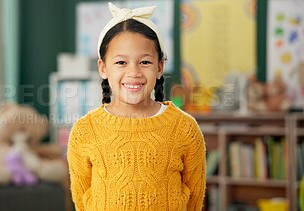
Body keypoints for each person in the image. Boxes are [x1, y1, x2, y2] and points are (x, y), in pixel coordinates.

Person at [67, 2, 206, 210]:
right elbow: (81, 201)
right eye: (121, 63)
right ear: (103, 67)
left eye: (145, 62)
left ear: (160, 67)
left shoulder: (184, 128)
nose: (134, 72)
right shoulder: (84, 131)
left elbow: (194, 201)